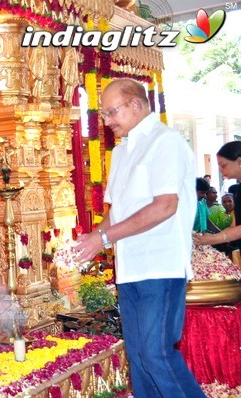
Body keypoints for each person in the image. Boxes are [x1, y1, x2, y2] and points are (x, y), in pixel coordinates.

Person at [74, 78, 205, 398]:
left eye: (110, 112)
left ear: (135, 105)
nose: (106, 121)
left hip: (161, 266)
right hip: (129, 269)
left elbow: (165, 206)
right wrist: (92, 238)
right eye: (104, 114)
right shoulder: (120, 153)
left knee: (157, 354)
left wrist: (104, 238)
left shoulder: (166, 141)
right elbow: (116, 212)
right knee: (139, 358)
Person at [196, 141, 241, 251]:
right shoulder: (238, 190)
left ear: (239, 161)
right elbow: (234, 226)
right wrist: (213, 238)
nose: (221, 170)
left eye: (223, 165)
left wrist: (213, 239)